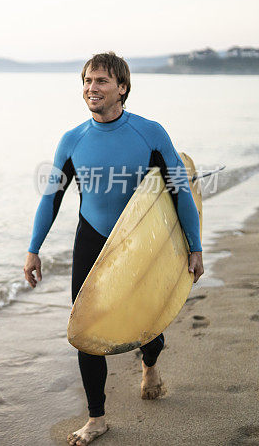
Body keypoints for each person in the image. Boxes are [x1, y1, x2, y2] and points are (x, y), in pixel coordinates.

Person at [22, 52, 204, 446]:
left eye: (102, 81)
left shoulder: (150, 133)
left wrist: (195, 246)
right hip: (91, 240)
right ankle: (97, 418)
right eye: (87, 81)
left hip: (140, 244)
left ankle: (150, 365)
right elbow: (51, 198)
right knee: (86, 328)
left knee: (146, 318)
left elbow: (179, 191)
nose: (92, 88)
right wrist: (34, 248)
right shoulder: (73, 140)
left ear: (122, 87)